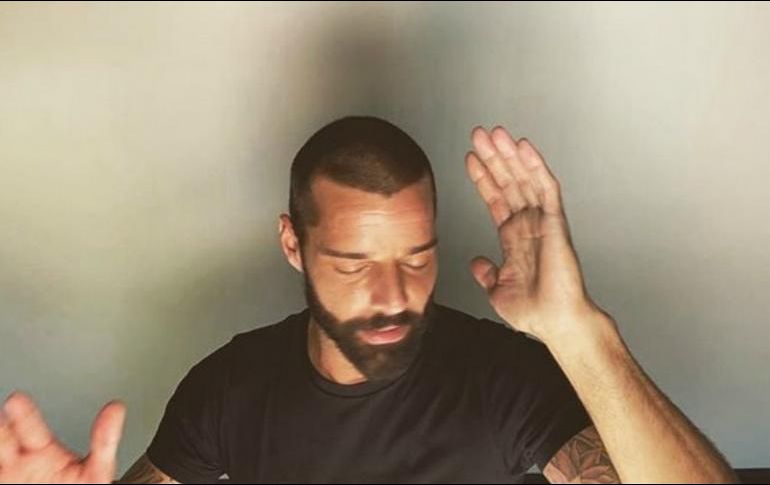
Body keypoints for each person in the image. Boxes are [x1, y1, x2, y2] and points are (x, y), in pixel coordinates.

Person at [0, 117, 737, 484]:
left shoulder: (500, 378)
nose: (394, 295)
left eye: (417, 257)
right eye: (353, 264)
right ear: (293, 244)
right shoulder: (230, 388)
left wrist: (579, 331)